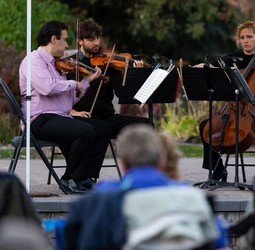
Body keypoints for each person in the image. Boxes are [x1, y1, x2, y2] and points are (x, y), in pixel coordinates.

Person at [61, 125, 225, 250]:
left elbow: (69, 239)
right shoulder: (193, 198)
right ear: (162, 161)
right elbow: (217, 240)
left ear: (122, 164)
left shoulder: (100, 199)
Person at [19, 20, 112, 193]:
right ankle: (69, 178)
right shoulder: (33, 60)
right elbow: (47, 87)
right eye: (65, 39)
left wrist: (86, 82)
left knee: (103, 128)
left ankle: (83, 176)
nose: (67, 44)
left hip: (58, 116)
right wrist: (72, 83)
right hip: (39, 118)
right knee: (85, 131)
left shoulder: (56, 64)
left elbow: (69, 100)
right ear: (54, 39)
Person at [198, 20, 255, 180]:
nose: (245, 40)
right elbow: (209, 67)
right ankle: (217, 170)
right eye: (242, 37)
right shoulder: (233, 59)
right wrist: (194, 69)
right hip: (233, 109)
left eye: (249, 36)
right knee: (206, 125)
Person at [67, 19, 150, 139]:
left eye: (98, 38)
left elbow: (122, 94)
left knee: (146, 124)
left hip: (107, 117)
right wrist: (72, 112)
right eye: (91, 39)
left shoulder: (109, 63)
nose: (97, 43)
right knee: (101, 128)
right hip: (81, 117)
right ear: (80, 41)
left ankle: (134, 158)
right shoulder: (71, 64)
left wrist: (135, 73)